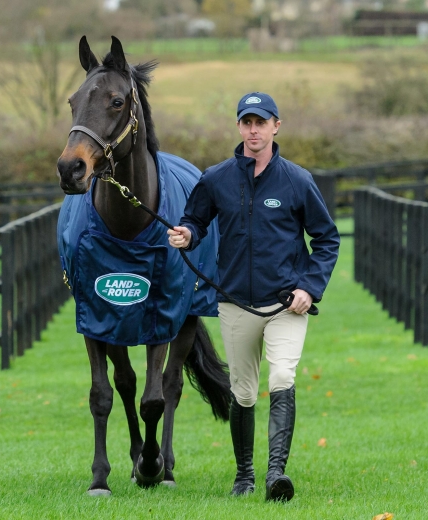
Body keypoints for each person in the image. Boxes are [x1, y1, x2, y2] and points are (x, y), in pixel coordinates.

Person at [167, 92, 340, 502]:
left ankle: (275, 475)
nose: (254, 129)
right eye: (247, 122)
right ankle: (244, 475)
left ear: (276, 125)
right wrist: (187, 235)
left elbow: (327, 238)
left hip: (286, 304)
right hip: (235, 304)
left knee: (282, 377)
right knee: (243, 392)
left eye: (261, 122)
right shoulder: (216, 178)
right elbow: (195, 220)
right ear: (239, 127)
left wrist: (309, 287)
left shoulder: (297, 180)